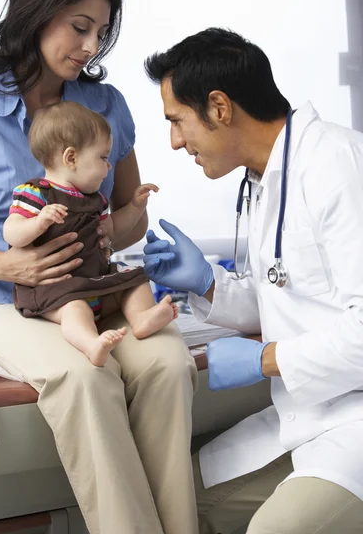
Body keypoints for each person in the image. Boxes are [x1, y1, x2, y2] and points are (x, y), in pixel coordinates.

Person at [0, 0, 198, 534]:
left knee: (168, 362)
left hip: (90, 285)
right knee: (84, 374)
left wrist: (113, 229)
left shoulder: (105, 105)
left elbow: (128, 220)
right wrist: (11, 263)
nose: (91, 45)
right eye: (80, 26)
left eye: (101, 32)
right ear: (38, 14)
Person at [143, 27, 363, 533]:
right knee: (175, 501)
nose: (175, 141)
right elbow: (291, 297)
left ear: (219, 107)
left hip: (354, 421)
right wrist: (207, 284)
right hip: (308, 416)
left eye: (177, 122)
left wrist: (265, 359)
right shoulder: (267, 179)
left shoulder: (336, 165)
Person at [4, 100, 178, 366]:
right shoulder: (36, 192)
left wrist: (134, 206)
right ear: (71, 158)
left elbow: (114, 228)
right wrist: (38, 222)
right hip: (55, 292)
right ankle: (90, 343)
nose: (109, 167)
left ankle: (141, 317)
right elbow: (11, 233)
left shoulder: (93, 199)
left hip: (94, 282)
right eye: (103, 158)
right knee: (77, 310)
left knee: (132, 276)